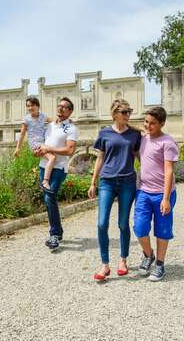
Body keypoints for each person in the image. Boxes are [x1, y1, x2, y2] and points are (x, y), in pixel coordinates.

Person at [88, 100, 141, 281]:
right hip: (107, 182)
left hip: (127, 182)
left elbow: (140, 157)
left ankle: (123, 260)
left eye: (129, 111)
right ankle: (104, 264)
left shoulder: (135, 134)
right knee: (102, 223)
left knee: (123, 224)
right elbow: (100, 158)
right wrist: (93, 182)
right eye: (124, 112)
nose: (127, 115)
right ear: (115, 113)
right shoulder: (105, 133)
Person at [133, 106, 179, 281]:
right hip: (143, 191)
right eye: (146, 122)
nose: (148, 126)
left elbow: (169, 171)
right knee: (139, 227)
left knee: (162, 230)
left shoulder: (168, 142)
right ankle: (148, 254)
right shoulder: (143, 139)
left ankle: (160, 265)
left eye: (152, 123)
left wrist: (166, 198)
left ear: (162, 123)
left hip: (162, 194)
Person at [34, 97, 78, 249]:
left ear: (70, 111)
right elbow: (43, 145)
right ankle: (57, 232)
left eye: (64, 107)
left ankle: (54, 234)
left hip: (59, 169)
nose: (60, 109)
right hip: (44, 166)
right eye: (59, 106)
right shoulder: (49, 126)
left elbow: (70, 150)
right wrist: (39, 151)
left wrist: (49, 149)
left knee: (49, 197)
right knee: (48, 200)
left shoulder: (71, 129)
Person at [14, 97, 57, 192]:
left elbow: (54, 121)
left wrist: (65, 121)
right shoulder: (26, 119)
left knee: (53, 157)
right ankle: (45, 182)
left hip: (44, 143)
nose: (30, 108)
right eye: (28, 106)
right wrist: (18, 148)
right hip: (35, 144)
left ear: (37, 106)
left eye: (32, 105)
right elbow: (22, 134)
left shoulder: (43, 116)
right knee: (52, 158)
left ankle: (48, 180)